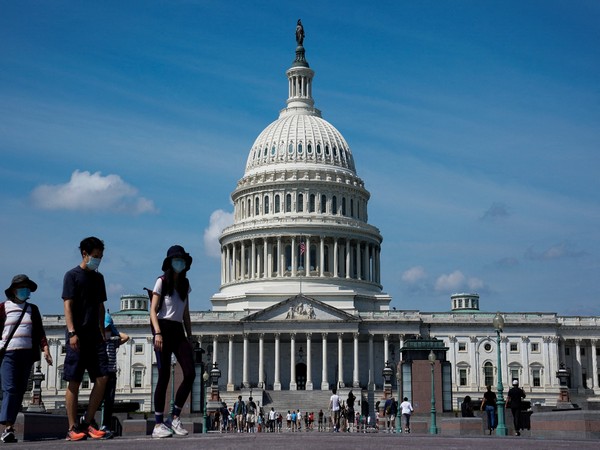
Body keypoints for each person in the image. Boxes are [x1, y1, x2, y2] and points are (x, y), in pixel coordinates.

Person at [62, 236, 110, 441]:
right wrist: (72, 332)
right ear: (85, 254)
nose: (98, 260)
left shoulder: (99, 278)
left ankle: (88, 421)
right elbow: (68, 305)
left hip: (95, 336)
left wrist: (101, 331)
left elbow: (100, 306)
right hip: (78, 335)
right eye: (96, 256)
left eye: (100, 256)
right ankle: (72, 427)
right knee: (74, 381)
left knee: (103, 378)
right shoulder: (71, 275)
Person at [150, 245, 196, 438]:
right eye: (177, 260)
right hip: (162, 328)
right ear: (170, 263)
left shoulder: (185, 285)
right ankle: (158, 423)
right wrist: (157, 333)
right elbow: (152, 310)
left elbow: (185, 314)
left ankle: (174, 417)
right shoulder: (161, 282)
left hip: (178, 330)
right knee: (163, 376)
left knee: (191, 373)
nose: (180, 263)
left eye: (182, 260)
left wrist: (190, 336)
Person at [0, 275, 53, 443]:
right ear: (14, 290)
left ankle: (10, 425)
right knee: (10, 388)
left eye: (28, 287)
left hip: (26, 355)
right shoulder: (3, 308)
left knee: (20, 391)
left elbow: (39, 332)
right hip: (8, 353)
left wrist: (45, 349)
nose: (26, 290)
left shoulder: (33, 309)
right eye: (23, 287)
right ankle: (7, 427)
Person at [100, 311, 129, 438]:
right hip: (100, 374)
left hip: (111, 374)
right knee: (98, 399)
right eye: (103, 328)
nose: (105, 330)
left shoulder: (113, 341)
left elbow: (126, 337)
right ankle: (87, 420)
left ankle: (105, 425)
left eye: (107, 328)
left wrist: (115, 332)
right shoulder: (98, 342)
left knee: (109, 401)